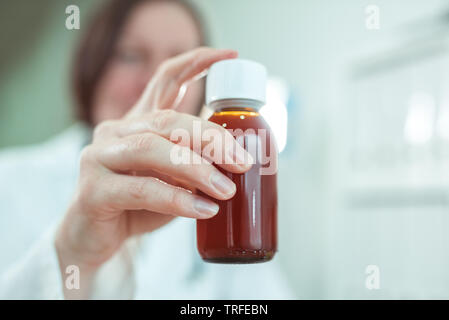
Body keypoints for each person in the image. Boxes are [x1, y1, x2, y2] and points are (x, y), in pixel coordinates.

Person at [0, 0, 293, 299]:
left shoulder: (222, 178)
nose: (153, 80)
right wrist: (73, 252)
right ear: (93, 66)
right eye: (130, 56)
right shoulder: (9, 182)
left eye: (179, 61)